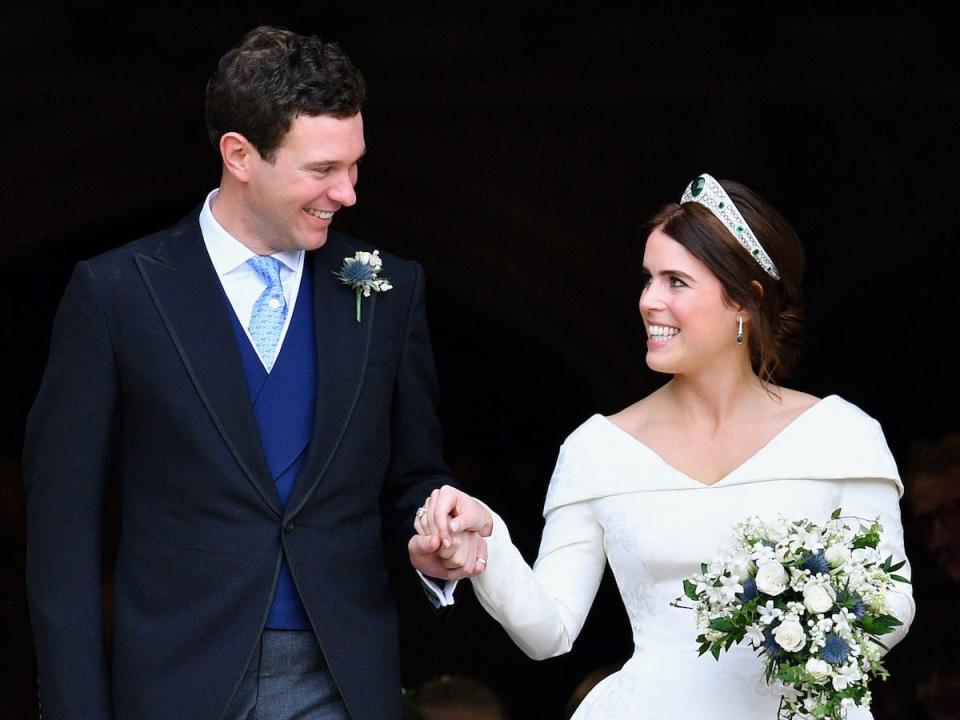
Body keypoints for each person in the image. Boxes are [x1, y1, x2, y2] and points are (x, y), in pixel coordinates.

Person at [24, 26, 480, 720]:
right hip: (176, 681)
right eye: (322, 169)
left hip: (339, 677)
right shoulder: (117, 293)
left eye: (355, 166)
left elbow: (411, 476)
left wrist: (434, 534)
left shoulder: (389, 289)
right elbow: (63, 538)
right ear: (239, 155)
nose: (349, 192)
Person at [415, 174, 915, 718]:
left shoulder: (840, 433)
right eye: (648, 279)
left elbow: (893, 603)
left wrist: (801, 617)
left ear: (746, 300)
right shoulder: (598, 447)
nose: (649, 301)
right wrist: (487, 544)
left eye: (676, 281)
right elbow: (549, 633)